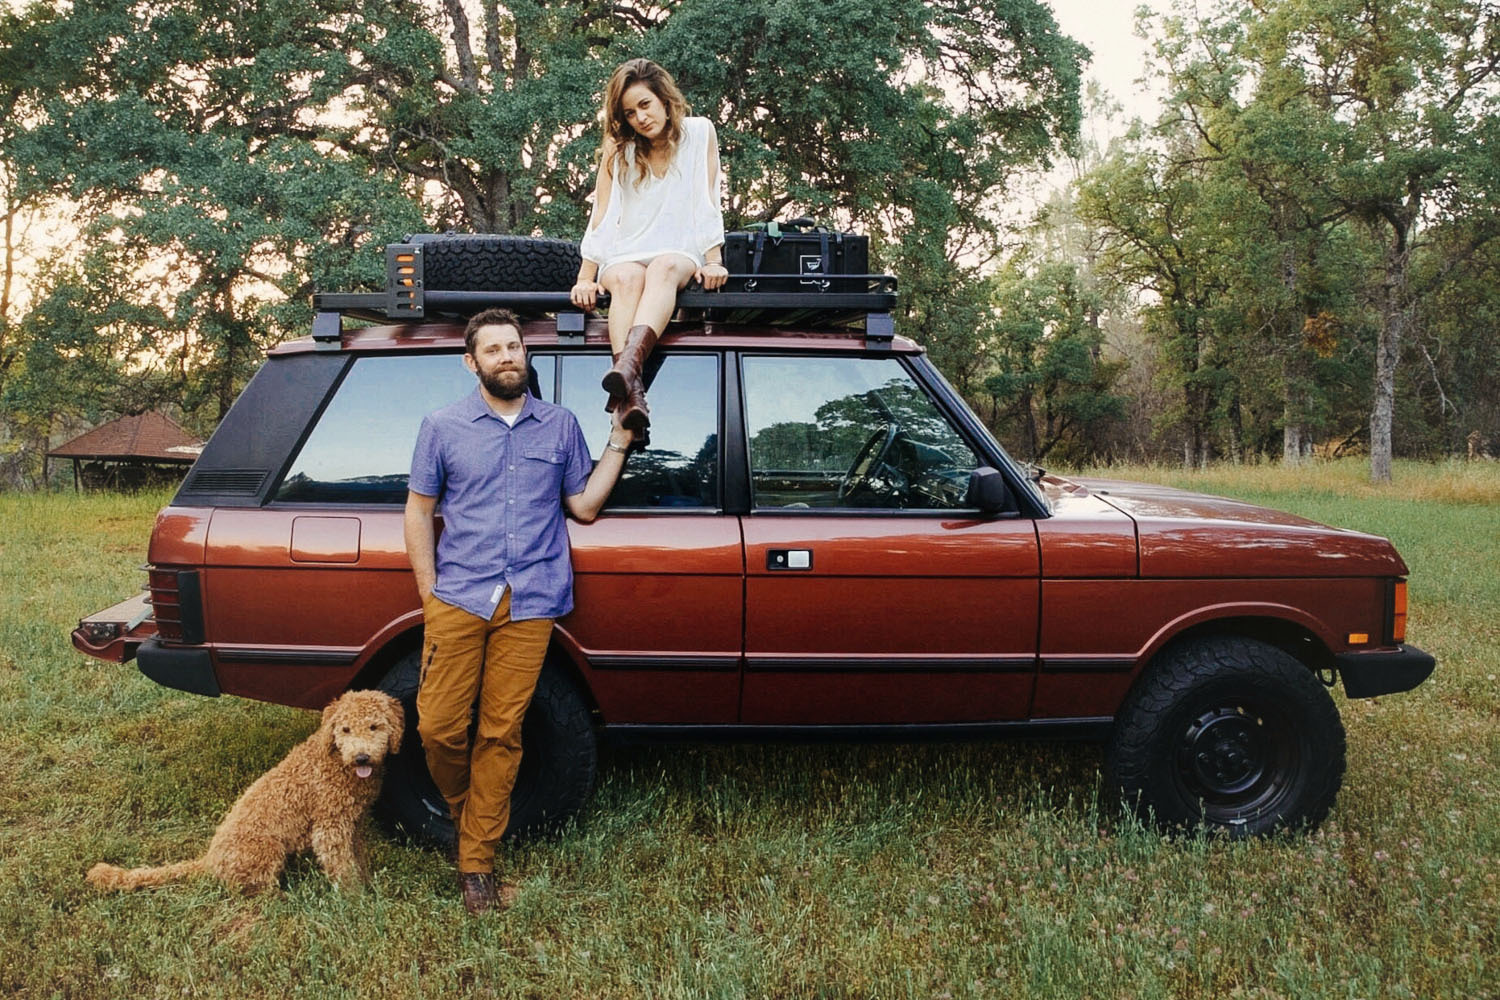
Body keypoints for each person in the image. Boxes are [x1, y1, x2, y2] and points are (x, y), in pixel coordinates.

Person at [404, 307, 632, 916]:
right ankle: (470, 812)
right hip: (458, 596)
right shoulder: (443, 426)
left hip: (531, 601)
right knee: (438, 728)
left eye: (514, 347)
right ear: (471, 361)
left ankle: (476, 861)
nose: (507, 357)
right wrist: (429, 593)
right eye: (494, 350)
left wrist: (619, 442)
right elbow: (419, 511)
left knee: (502, 732)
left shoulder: (559, 426)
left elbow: (582, 506)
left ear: (524, 355)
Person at [571, 58, 727, 436]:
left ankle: (625, 372)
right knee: (625, 278)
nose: (640, 118)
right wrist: (585, 277)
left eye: (645, 105)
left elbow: (708, 200)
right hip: (625, 251)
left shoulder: (699, 133)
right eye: (629, 112)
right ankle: (632, 392)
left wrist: (714, 260)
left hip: (677, 251)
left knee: (664, 269)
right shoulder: (620, 149)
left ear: (663, 99)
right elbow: (602, 213)